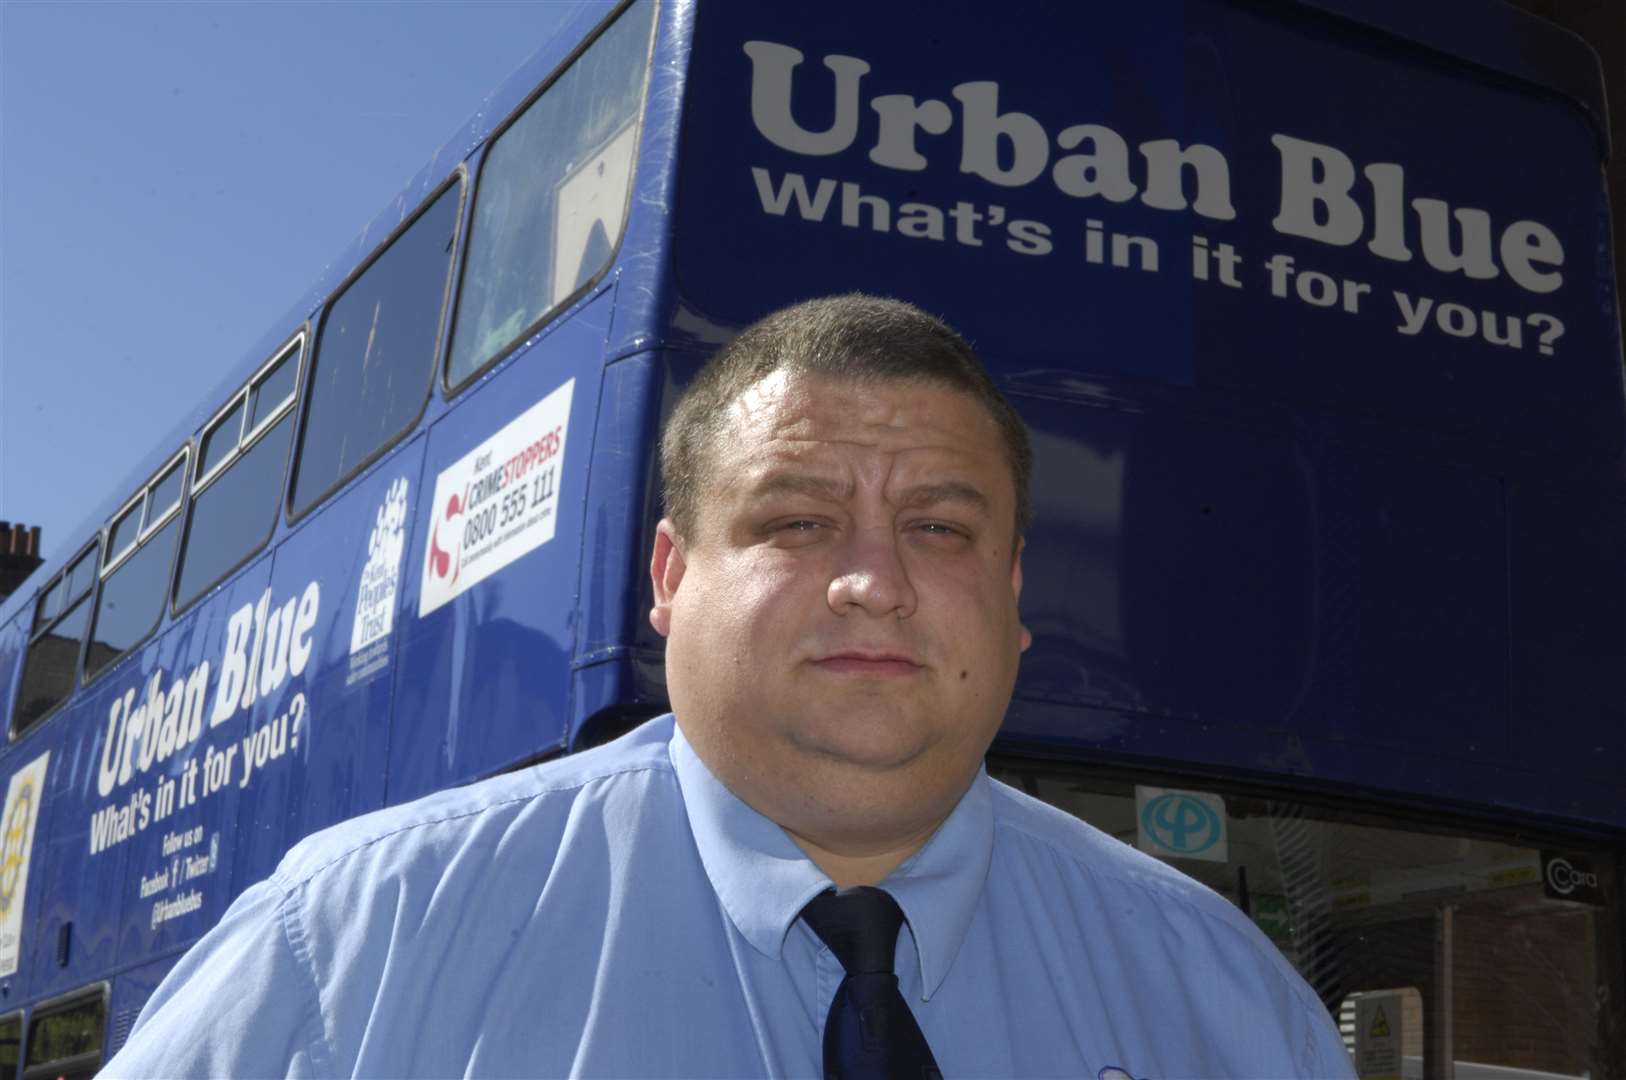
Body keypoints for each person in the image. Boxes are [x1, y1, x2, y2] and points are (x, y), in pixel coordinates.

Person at [103, 295, 1353, 1078]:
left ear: (1017, 593)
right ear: (668, 574)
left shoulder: (1229, 1007)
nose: (874, 582)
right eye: (799, 522)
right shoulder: (350, 953)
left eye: (940, 528)